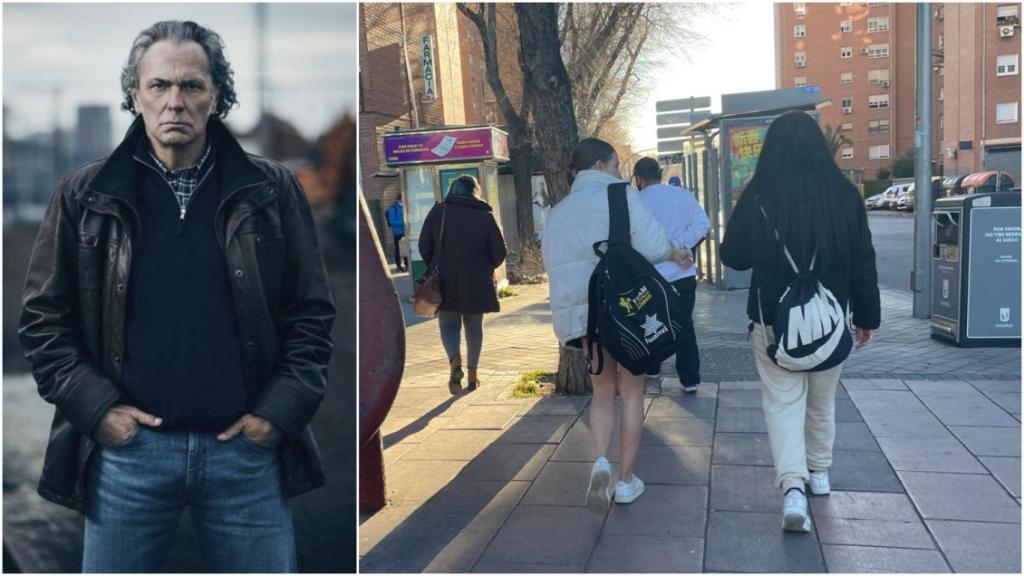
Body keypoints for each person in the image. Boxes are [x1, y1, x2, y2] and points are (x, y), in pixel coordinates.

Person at [18, 21, 335, 571]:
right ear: (135, 95)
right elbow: (44, 322)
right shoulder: (83, 195)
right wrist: (99, 412)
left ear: (217, 95)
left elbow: (309, 315)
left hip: (246, 457)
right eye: (159, 85)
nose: (174, 102)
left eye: (191, 86)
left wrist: (275, 416)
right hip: (127, 460)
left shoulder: (271, 190)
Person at [720, 111, 880, 533]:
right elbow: (864, 260)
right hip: (830, 323)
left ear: (771, 149)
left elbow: (732, 256)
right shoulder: (844, 195)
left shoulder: (757, 195)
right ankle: (820, 472)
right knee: (822, 401)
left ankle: (793, 488)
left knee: (782, 403)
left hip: (773, 320)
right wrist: (866, 317)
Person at [543, 138, 690, 512]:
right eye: (615, 165)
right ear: (599, 166)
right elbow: (655, 246)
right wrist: (677, 253)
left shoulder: (557, 212)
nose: (619, 172)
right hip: (627, 314)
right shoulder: (621, 196)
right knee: (633, 393)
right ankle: (625, 481)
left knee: (602, 394)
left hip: (586, 321)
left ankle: (599, 463)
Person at [419, 175, 507, 395]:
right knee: (474, 326)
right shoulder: (484, 215)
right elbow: (499, 252)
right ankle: (473, 376)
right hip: (477, 281)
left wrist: (434, 264)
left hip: (445, 280)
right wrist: (485, 266)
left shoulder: (439, 212)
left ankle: (454, 361)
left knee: (448, 325)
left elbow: (424, 245)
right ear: (474, 191)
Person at [634, 157, 709, 393]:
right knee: (684, 324)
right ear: (660, 174)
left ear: (638, 179)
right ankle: (689, 379)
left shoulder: (635, 202)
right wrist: (680, 246)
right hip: (681, 272)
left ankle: (653, 367)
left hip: (648, 275)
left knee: (650, 324)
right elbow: (702, 224)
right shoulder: (682, 196)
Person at [385, 197, 408, 271]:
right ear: (399, 200)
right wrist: (403, 222)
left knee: (406, 249)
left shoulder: (404, 207)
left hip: (405, 231)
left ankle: (407, 264)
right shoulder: (392, 208)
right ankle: (399, 266)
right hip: (397, 232)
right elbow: (392, 222)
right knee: (398, 250)